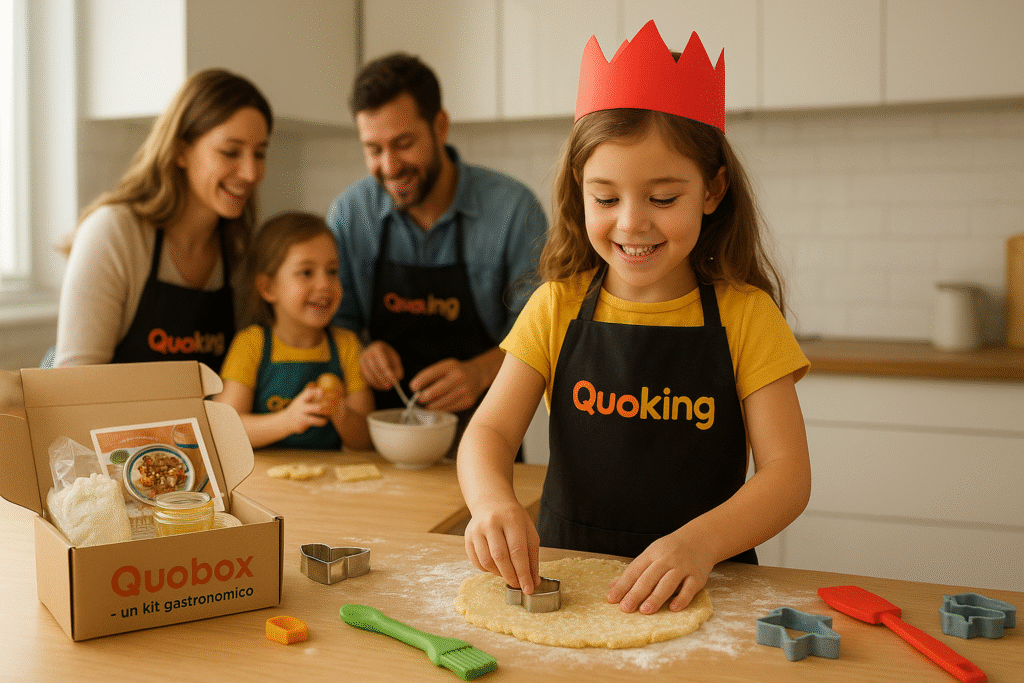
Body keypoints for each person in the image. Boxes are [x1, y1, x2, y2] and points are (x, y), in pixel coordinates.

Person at [457, 21, 812, 616]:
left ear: (713, 190)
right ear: (579, 190)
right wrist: (492, 501)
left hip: (706, 588)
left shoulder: (745, 315)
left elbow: (787, 476)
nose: (631, 223)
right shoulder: (555, 305)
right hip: (565, 585)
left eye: (663, 198)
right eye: (606, 197)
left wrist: (698, 544)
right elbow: (488, 434)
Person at [326, 53, 548, 432]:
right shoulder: (350, 214)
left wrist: (479, 372)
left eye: (403, 143)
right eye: (374, 150)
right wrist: (361, 352)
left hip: (486, 432)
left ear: (440, 126)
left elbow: (543, 334)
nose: (390, 166)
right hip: (376, 439)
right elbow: (334, 324)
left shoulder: (513, 210)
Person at [52, 68, 272, 372]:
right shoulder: (115, 232)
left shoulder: (239, 249)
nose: (251, 173)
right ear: (181, 151)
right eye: (230, 152)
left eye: (260, 154)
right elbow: (75, 384)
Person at [215, 212, 373, 450]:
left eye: (332, 271)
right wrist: (288, 420)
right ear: (268, 288)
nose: (324, 285)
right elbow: (223, 431)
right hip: (263, 483)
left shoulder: (348, 346)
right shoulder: (251, 344)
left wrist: (341, 413)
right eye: (306, 272)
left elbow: (366, 440)